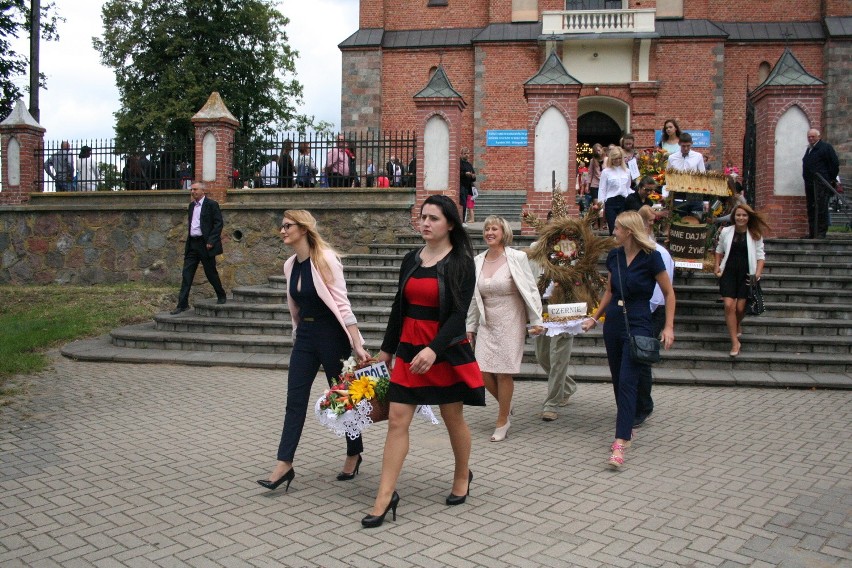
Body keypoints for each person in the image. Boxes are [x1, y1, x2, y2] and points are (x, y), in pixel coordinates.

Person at [362, 195, 485, 528]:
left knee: (452, 415)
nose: (425, 223)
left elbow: (460, 315)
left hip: (443, 348)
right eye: (422, 217)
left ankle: (462, 475)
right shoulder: (410, 259)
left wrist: (433, 349)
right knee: (398, 419)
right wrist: (387, 350)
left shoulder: (461, 261)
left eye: (433, 218)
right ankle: (384, 497)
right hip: (408, 347)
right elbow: (398, 309)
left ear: (449, 224)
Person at [258, 210, 371, 492]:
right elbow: (295, 307)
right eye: (281, 226)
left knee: (343, 400)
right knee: (294, 400)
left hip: (332, 335)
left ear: (303, 229)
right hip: (306, 337)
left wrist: (357, 343)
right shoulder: (289, 265)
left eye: (287, 226)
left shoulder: (325, 260)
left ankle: (354, 452)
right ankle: (284, 463)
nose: (282, 231)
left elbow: (342, 304)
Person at [582, 211, 675, 469]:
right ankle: (627, 423)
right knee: (617, 377)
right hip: (613, 321)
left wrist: (668, 326)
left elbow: (669, 293)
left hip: (639, 320)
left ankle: (620, 441)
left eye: (617, 228)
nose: (613, 232)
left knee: (627, 380)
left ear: (629, 231)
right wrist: (595, 317)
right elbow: (610, 291)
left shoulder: (651, 257)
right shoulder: (614, 256)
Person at [466, 216, 542, 441]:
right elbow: (473, 297)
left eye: (494, 229)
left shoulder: (517, 258)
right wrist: (470, 325)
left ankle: (502, 421)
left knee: (502, 371)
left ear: (504, 232)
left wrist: (536, 321)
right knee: (480, 371)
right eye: (487, 229)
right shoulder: (477, 260)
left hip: (511, 319)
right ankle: (505, 406)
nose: (490, 232)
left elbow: (530, 289)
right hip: (487, 322)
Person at [635, 206, 675, 427]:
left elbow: (663, 291)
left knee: (642, 357)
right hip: (640, 309)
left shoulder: (659, 253)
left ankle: (644, 405)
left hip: (652, 310)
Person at [713, 204, 769, 357]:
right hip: (729, 272)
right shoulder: (726, 231)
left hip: (747, 273)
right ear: (733, 217)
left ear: (749, 217)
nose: (741, 218)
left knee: (740, 308)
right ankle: (734, 342)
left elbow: (760, 256)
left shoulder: (755, 234)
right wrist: (717, 265)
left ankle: (737, 323)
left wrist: (757, 273)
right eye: (738, 215)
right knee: (729, 305)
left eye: (744, 215)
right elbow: (719, 250)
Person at [171, 183, 227, 314]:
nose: (193, 192)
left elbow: (218, 223)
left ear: (203, 191)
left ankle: (221, 294)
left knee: (210, 272)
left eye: (195, 189)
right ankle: (182, 304)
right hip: (192, 244)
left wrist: (211, 241)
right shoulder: (191, 206)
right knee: (186, 274)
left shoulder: (211, 205)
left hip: (205, 244)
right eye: (191, 189)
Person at [535, 279, 577, 422]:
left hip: (563, 306)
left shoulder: (570, 256)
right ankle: (567, 387)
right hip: (540, 307)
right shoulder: (531, 257)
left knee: (558, 358)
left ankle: (551, 405)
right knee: (542, 356)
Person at [802, 128, 840, 239]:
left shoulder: (825, 147)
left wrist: (829, 179)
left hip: (821, 183)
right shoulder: (809, 149)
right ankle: (813, 232)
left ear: (819, 137)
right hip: (810, 184)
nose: (810, 138)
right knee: (812, 207)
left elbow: (834, 164)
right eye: (809, 137)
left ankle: (820, 233)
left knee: (821, 208)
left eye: (813, 136)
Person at [598, 147, 633, 235]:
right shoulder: (606, 172)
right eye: (615, 158)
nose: (617, 160)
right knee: (612, 228)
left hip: (623, 201)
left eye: (619, 158)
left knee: (624, 227)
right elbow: (602, 189)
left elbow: (628, 187)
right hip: (611, 201)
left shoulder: (627, 171)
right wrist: (601, 206)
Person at [588, 144, 604, 230]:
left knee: (602, 205)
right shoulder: (592, 161)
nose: (598, 152)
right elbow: (590, 173)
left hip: (604, 185)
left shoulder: (607, 160)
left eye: (599, 150)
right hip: (595, 184)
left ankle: (601, 224)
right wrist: (588, 185)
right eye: (596, 151)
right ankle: (596, 223)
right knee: (596, 205)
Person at [460, 148, 476, 225]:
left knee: (465, 204)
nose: (467, 155)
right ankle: (462, 220)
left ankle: (463, 220)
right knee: (463, 203)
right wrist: (465, 174)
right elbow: (458, 174)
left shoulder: (469, 165)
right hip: (461, 186)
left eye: (468, 153)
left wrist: (472, 176)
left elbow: (474, 177)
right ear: (461, 154)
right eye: (465, 153)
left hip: (468, 187)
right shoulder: (459, 163)